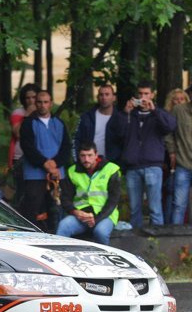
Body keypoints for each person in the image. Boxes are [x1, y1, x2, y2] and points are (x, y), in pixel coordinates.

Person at [112, 81, 176, 228]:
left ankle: (158, 238)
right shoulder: (129, 114)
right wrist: (125, 113)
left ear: (152, 95)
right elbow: (117, 133)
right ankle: (135, 239)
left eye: (146, 94)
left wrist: (155, 111)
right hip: (132, 167)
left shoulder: (158, 113)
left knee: (155, 209)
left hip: (153, 165)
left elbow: (170, 127)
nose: (143, 97)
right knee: (134, 209)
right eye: (140, 94)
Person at [19, 90, 71, 231]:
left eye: (46, 102)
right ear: (35, 104)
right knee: (32, 211)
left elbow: (66, 147)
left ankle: (58, 237)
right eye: (40, 102)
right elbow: (27, 147)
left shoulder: (59, 123)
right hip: (34, 175)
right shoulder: (28, 123)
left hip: (57, 174)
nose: (43, 105)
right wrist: (44, 163)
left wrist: (55, 163)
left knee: (57, 210)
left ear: (51, 103)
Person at [56, 142, 121, 245]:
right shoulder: (72, 171)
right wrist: (75, 212)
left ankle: (103, 255)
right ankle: (60, 254)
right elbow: (65, 198)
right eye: (83, 156)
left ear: (96, 155)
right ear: (78, 156)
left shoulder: (111, 169)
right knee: (63, 226)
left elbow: (113, 201)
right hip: (81, 215)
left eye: (90, 155)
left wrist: (96, 219)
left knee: (100, 232)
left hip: (105, 215)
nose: (86, 159)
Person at [166, 79, 192, 224]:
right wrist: (172, 151)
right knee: (178, 205)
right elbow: (168, 132)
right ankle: (175, 235)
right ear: (190, 94)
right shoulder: (178, 110)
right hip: (182, 164)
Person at [72, 84, 122, 164]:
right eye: (101, 95)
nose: (104, 97)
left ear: (114, 97)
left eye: (107, 94)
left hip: (111, 164)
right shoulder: (86, 117)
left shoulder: (120, 118)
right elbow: (76, 140)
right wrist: (78, 161)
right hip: (88, 163)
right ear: (98, 97)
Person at [9, 84, 38, 207]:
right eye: (28, 98)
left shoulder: (43, 113)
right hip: (20, 157)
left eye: (34, 97)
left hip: (37, 157)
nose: (31, 101)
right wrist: (27, 115)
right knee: (21, 191)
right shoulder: (18, 113)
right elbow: (18, 133)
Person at [163, 88, 189, 222]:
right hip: (168, 160)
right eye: (176, 99)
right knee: (170, 193)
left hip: (186, 159)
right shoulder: (165, 117)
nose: (179, 102)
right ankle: (168, 224)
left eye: (182, 99)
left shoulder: (189, 117)